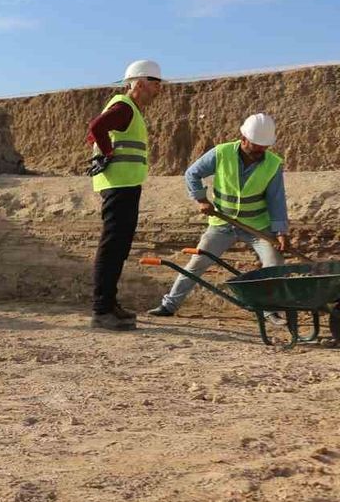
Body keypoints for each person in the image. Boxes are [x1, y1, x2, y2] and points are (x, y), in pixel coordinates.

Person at [148, 113, 288, 318]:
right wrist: (201, 199)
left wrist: (281, 232)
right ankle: (169, 305)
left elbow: (277, 200)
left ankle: (270, 310)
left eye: (264, 147)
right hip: (222, 224)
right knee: (197, 263)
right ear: (243, 139)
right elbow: (192, 174)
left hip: (257, 226)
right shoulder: (222, 153)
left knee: (274, 263)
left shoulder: (273, 164)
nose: (260, 151)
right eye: (256, 146)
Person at [86, 59, 163, 331]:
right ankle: (101, 310)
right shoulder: (124, 107)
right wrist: (107, 152)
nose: (159, 90)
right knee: (112, 247)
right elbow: (96, 128)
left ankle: (109, 304)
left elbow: (95, 134)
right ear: (140, 83)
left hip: (125, 184)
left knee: (119, 247)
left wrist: (105, 149)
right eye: (155, 84)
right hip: (119, 185)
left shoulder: (129, 109)